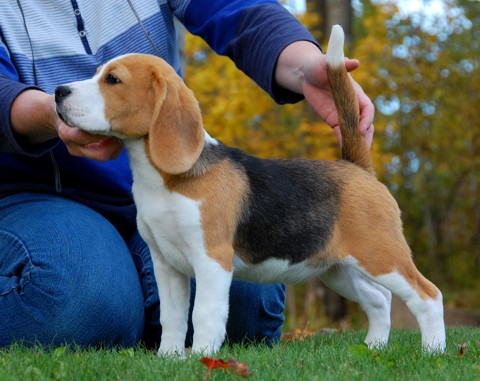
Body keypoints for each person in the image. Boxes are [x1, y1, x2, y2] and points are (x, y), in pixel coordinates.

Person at [0, 1, 374, 349]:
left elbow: (234, 7)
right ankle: (122, 300)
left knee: (249, 304)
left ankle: (134, 306)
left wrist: (303, 64)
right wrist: (50, 114)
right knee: (72, 302)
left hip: (170, 176)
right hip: (38, 194)